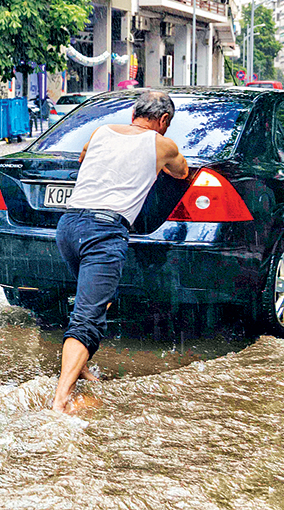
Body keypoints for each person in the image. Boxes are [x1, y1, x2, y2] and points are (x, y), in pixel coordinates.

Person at [52, 91, 189, 414]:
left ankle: (82, 367)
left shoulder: (101, 132)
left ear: (134, 113)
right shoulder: (162, 144)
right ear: (164, 120)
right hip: (104, 232)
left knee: (96, 301)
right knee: (87, 317)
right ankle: (60, 400)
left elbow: (85, 158)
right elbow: (182, 172)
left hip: (69, 227)